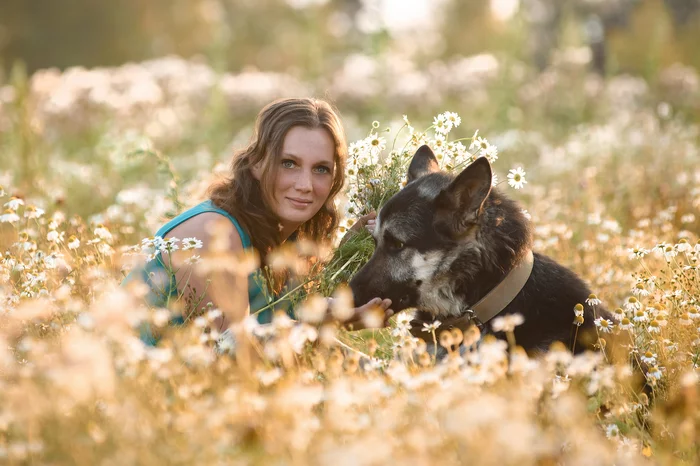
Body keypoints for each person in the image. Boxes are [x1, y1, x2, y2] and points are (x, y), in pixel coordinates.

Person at [122, 97, 392, 344]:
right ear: (256, 163)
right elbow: (233, 354)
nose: (306, 185)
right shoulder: (214, 232)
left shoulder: (286, 242)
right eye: (288, 163)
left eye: (321, 169)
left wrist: (346, 258)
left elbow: (278, 328)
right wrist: (329, 320)